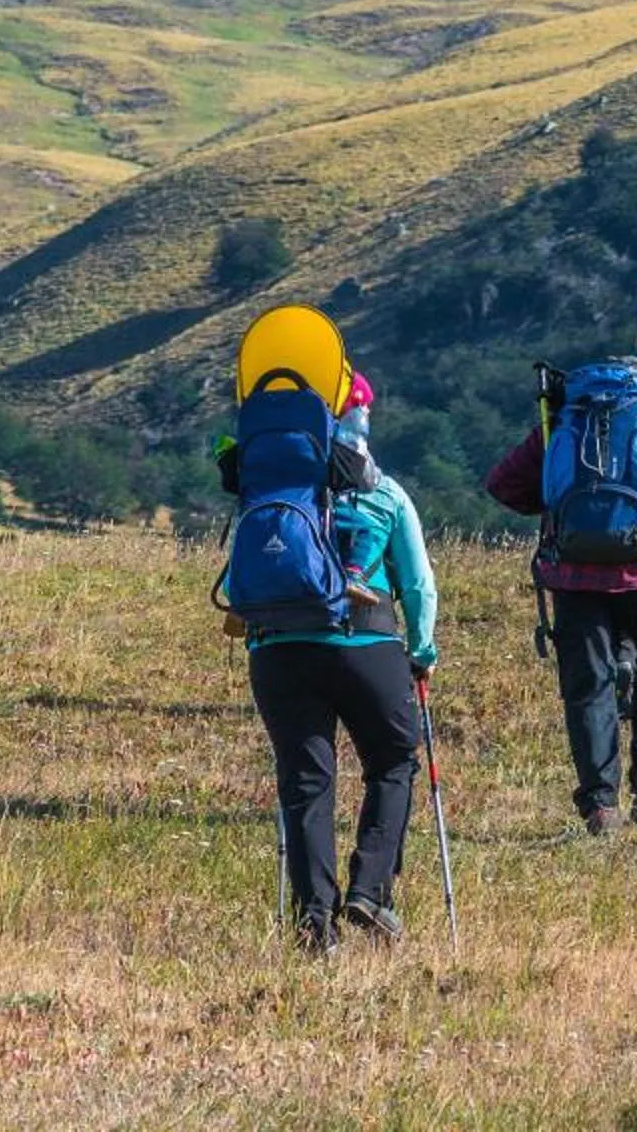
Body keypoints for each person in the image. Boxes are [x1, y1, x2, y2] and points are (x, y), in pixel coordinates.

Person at [241, 371, 440, 953]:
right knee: (392, 761)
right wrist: (422, 653)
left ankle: (315, 928)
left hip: (278, 649)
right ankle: (371, 892)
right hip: (367, 646)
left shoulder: (267, 488)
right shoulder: (384, 492)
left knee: (305, 784)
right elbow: (419, 586)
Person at [486, 366, 637, 835]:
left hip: (573, 574)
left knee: (588, 686)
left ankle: (600, 806)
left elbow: (501, 483)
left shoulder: (561, 426)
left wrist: (557, 509)